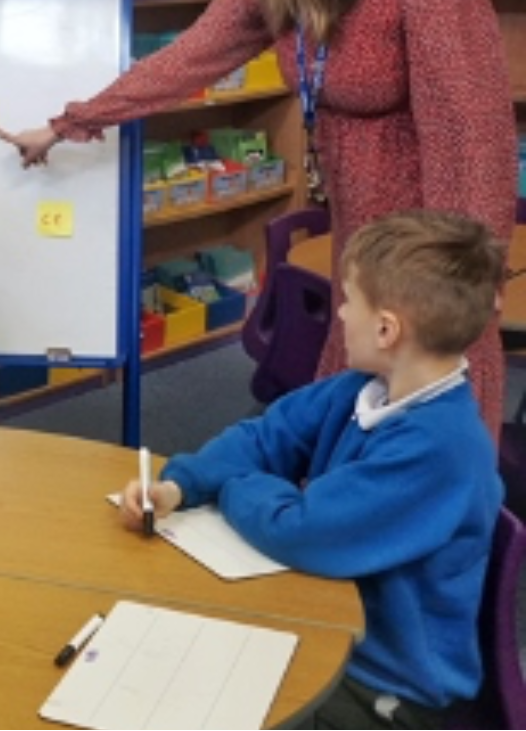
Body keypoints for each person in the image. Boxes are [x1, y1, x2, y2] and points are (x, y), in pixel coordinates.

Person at [0, 0, 517, 442]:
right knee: (354, 420)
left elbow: (470, 132)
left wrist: (474, 267)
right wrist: (71, 121)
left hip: (428, 253)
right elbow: (186, 60)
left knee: (429, 436)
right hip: (360, 247)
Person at [118, 209, 506, 730]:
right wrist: (180, 484)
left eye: (349, 302)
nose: (341, 314)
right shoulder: (366, 386)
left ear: (387, 329)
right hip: (330, 623)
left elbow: (305, 531)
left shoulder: (440, 448)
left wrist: (231, 483)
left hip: (386, 688)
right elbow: (264, 435)